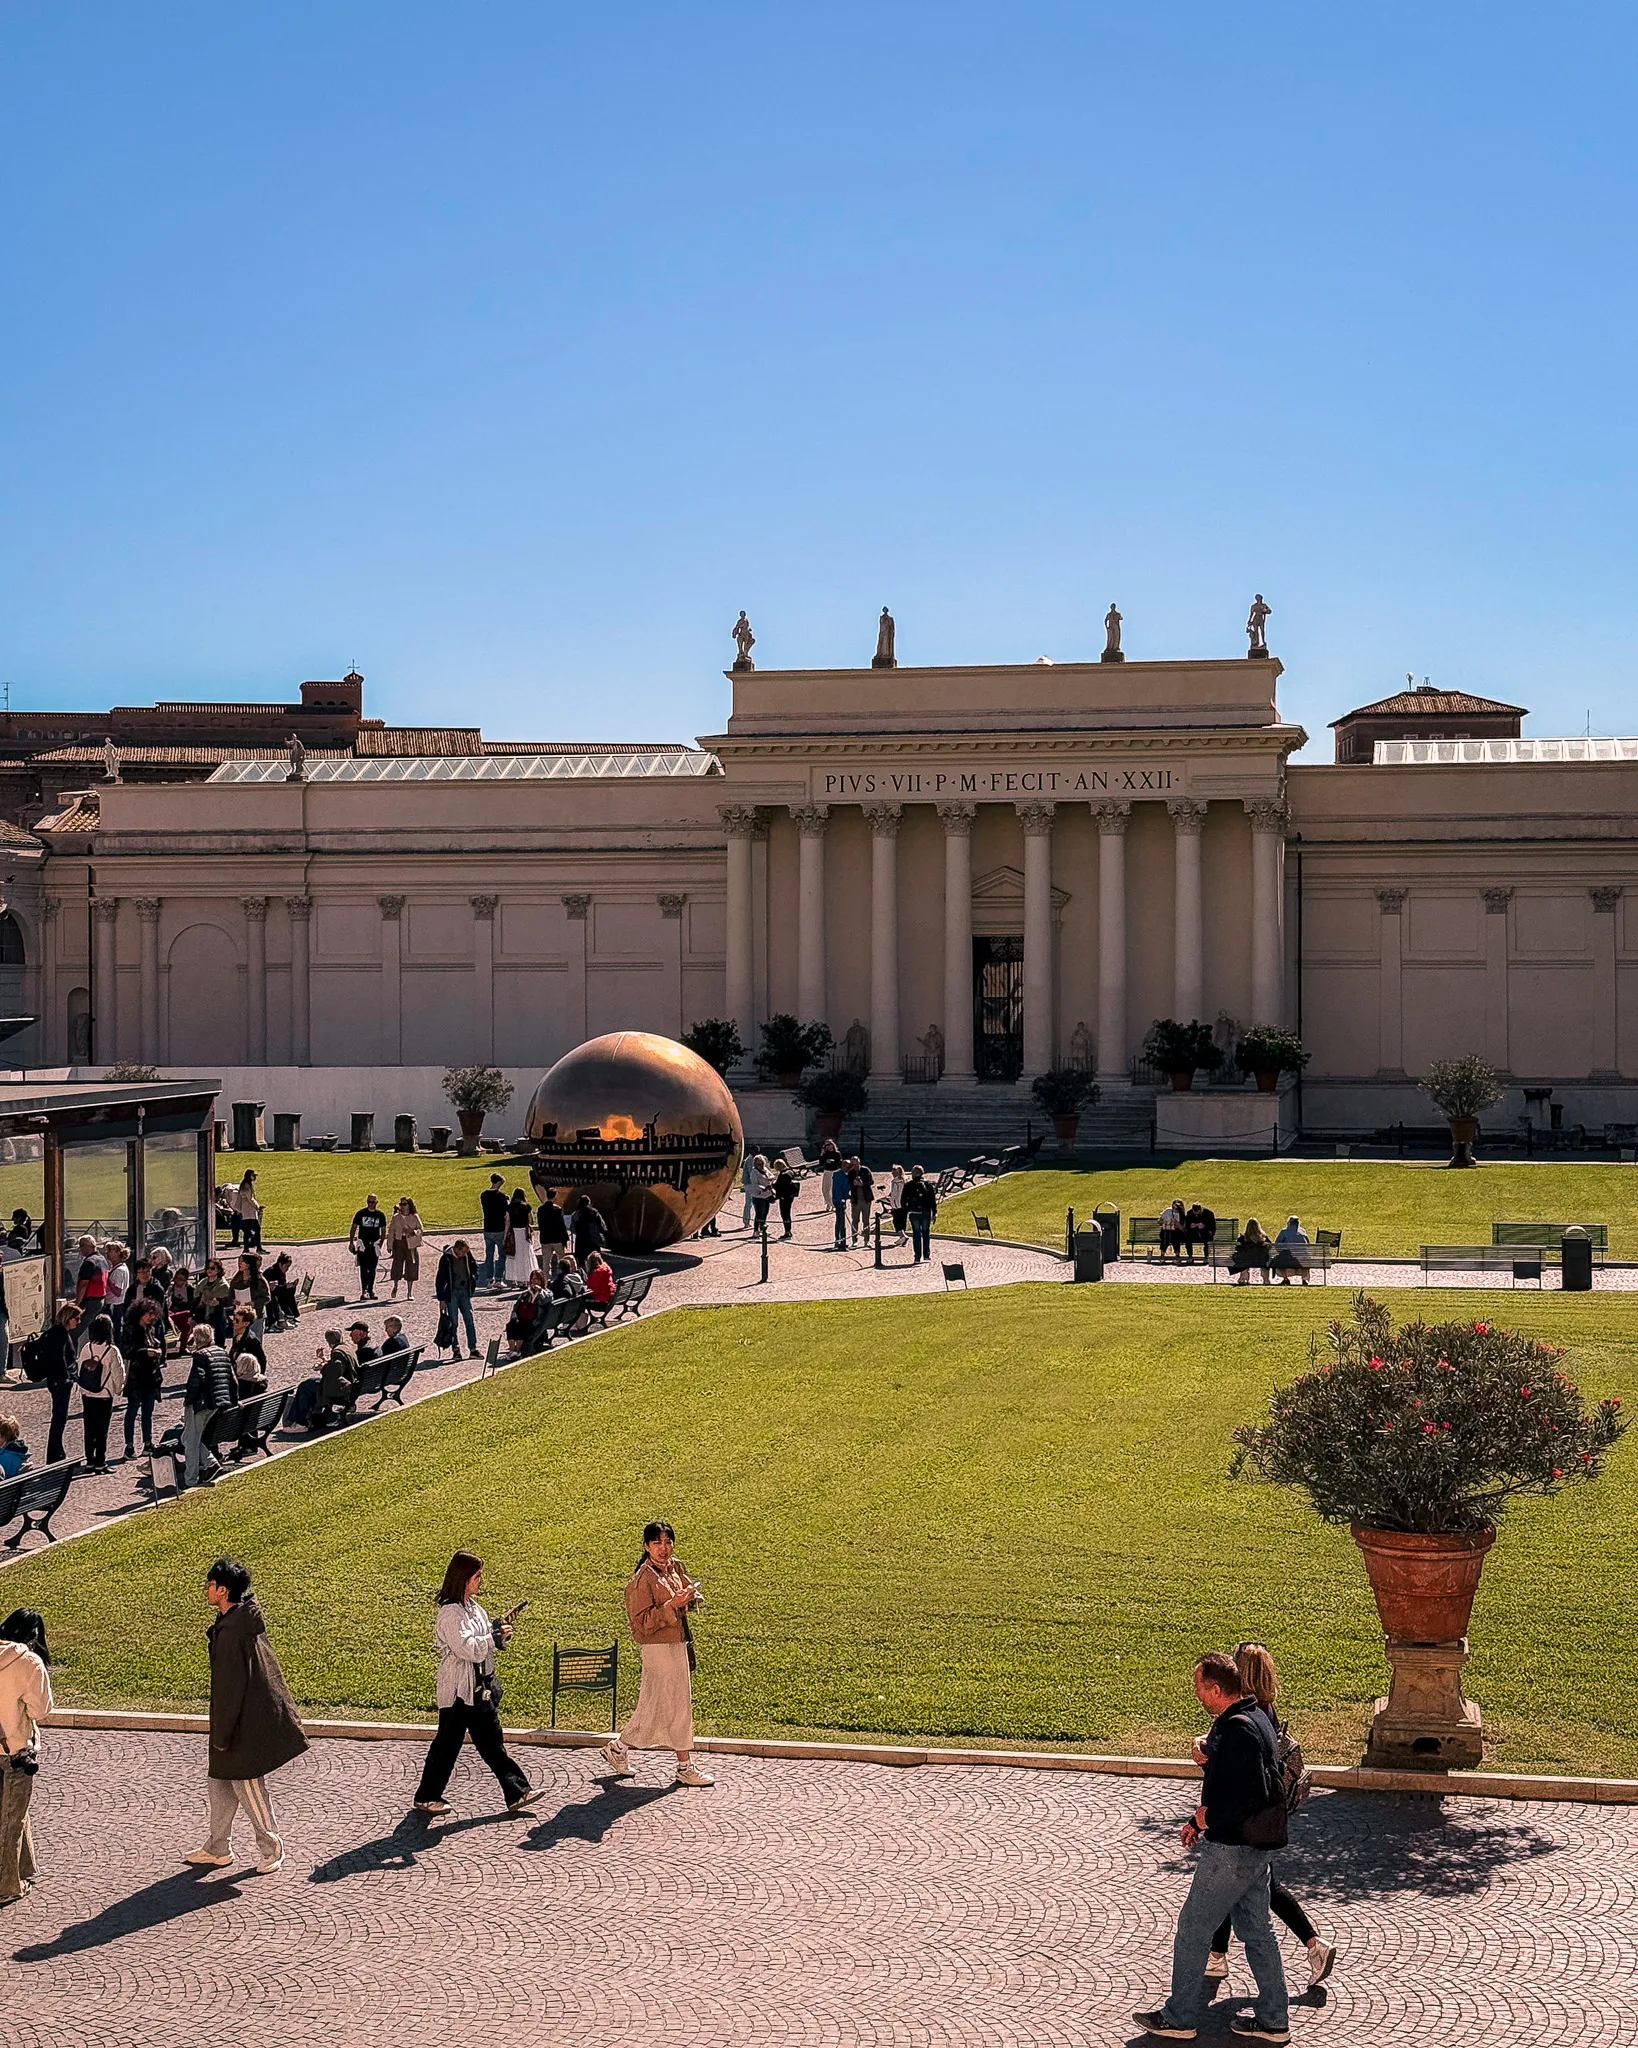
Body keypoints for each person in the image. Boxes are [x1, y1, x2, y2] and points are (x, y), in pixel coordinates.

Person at [1132, 1651, 1289, 2043]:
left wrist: (1207, 1819)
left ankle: (1179, 2017)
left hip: (1232, 1851)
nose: (1196, 1693)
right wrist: (1198, 1812)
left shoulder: (1239, 1730)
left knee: (1192, 1929)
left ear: (1217, 1689)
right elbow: (1238, 1780)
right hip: (1255, 1849)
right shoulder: (1255, 1717)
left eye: (1199, 1686)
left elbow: (1250, 1796)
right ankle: (1274, 2019)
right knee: (1257, 1932)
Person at [1206, 1644, 1335, 1991]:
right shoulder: (1265, 1710)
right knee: (1245, 1885)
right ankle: (1217, 1956)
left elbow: (1234, 1766)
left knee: (1243, 1886)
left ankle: (1310, 1946)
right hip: (1261, 1817)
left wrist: (1206, 1753)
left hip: (1244, 1820)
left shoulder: (1244, 1716)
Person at [184, 1557, 307, 1874]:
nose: (206, 1589)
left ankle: (272, 1848)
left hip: (241, 1727)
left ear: (222, 1590)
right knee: (219, 1784)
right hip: (235, 1722)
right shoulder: (236, 1622)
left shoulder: (233, 1633)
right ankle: (218, 1848)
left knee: (248, 1787)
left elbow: (231, 1688)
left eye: (210, 1584)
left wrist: (223, 1735)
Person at [412, 1549, 537, 1816]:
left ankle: (518, 1793)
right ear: (463, 1578)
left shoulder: (473, 1608)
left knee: (491, 1743)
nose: (481, 1581)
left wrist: (498, 1629)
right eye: (477, 1576)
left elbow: (483, 1637)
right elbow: (467, 1648)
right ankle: (427, 1796)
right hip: (460, 1691)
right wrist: (493, 1638)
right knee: (448, 1745)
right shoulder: (450, 1614)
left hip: (479, 1689)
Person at [601, 1520, 713, 1789]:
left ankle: (619, 1748)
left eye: (667, 1542)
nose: (664, 1548)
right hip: (657, 1649)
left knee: (661, 1704)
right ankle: (684, 1767)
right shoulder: (642, 1580)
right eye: (657, 1543)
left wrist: (690, 1598)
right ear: (646, 1546)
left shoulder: (674, 1568)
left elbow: (687, 1595)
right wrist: (671, 1605)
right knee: (671, 1704)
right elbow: (640, 1624)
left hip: (677, 1643)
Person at [0, 1607, 52, 1904]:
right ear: (33, 1636)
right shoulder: (29, 1663)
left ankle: (24, 1868)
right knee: (13, 1818)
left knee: (12, 1811)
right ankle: (7, 1885)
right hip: (15, 1751)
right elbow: (40, 1710)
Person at [76, 1312, 124, 1473]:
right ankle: (100, 1462)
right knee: (102, 1430)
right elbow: (118, 1373)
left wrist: (82, 1389)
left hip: (87, 1394)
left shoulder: (86, 1348)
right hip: (104, 1394)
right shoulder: (111, 1350)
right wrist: (119, 1389)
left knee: (89, 1428)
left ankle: (89, 1460)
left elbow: (80, 1369)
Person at [121, 1301, 166, 1460]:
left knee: (148, 1411)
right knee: (132, 1411)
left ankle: (148, 1442)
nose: (151, 1317)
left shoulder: (151, 1329)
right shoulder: (130, 1330)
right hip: (136, 1376)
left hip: (151, 1376)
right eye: (149, 1314)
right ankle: (129, 1445)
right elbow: (126, 1351)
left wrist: (158, 1351)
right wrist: (145, 1352)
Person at [37, 1301, 80, 1465]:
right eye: (77, 1318)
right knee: (59, 1418)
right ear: (68, 1318)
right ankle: (54, 1454)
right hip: (60, 1382)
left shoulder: (55, 1332)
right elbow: (60, 1359)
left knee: (59, 1418)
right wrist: (67, 1379)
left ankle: (57, 1452)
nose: (78, 1322)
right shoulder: (60, 1334)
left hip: (55, 1381)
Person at [434, 1238, 480, 1359]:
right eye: (462, 1252)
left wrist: (474, 1278)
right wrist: (441, 1299)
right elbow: (440, 1280)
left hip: (464, 1292)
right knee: (453, 1323)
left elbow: (474, 1267)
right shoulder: (446, 1259)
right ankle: (456, 1349)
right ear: (456, 1249)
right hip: (452, 1293)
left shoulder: (467, 1255)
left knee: (469, 1320)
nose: (464, 1254)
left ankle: (473, 1349)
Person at [349, 1194, 388, 1300]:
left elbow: (383, 1231)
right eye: (369, 1202)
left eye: (372, 1202)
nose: (370, 1204)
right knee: (364, 1267)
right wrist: (351, 1242)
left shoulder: (380, 1215)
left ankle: (371, 1290)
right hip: (363, 1244)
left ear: (376, 1203)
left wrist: (381, 1244)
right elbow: (353, 1228)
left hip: (374, 1244)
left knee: (372, 1268)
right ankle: (364, 1290)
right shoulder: (361, 1213)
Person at [506, 1270, 551, 1355]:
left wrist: (539, 1292)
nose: (534, 1281)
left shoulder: (547, 1293)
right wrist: (514, 1317)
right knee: (511, 1324)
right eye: (532, 1279)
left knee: (522, 1325)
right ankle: (513, 1350)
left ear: (541, 1280)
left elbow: (545, 1300)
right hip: (524, 1319)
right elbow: (516, 1307)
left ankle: (518, 1350)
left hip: (536, 1321)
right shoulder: (525, 1294)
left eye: (536, 1279)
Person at [388, 1197, 424, 1302]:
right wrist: (389, 1245)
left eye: (404, 1204)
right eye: (401, 1204)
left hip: (411, 1243)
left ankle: (409, 1292)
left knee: (411, 1266)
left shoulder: (414, 1216)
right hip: (399, 1242)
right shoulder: (396, 1217)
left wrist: (412, 1232)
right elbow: (391, 1232)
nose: (402, 1206)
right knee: (397, 1264)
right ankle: (395, 1285)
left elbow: (420, 1229)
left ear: (409, 1205)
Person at [479, 1173, 510, 1290]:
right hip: (499, 1228)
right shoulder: (501, 1197)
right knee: (502, 1255)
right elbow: (505, 1213)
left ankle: (489, 1279)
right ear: (498, 1182)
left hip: (488, 1228)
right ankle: (498, 1278)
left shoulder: (483, 1195)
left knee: (489, 1255)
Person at [901, 1165, 937, 1263]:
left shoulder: (908, 1185)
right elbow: (932, 1200)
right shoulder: (928, 1185)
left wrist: (907, 1210)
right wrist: (934, 1212)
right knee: (925, 1233)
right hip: (925, 1211)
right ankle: (926, 1255)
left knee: (916, 1233)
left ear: (914, 1173)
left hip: (913, 1212)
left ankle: (917, 1257)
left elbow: (903, 1200)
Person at [227, 1307, 268, 1395]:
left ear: (246, 1324)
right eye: (233, 1319)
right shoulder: (237, 1336)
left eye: (237, 1321)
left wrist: (256, 1378)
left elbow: (262, 1359)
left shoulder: (251, 1340)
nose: (233, 1322)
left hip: (247, 1383)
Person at [231, 1252, 270, 1342]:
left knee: (254, 1341)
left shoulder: (259, 1280)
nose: (239, 1264)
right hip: (240, 1317)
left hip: (256, 1316)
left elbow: (266, 1298)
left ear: (248, 1264)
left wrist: (254, 1303)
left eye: (242, 1262)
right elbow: (230, 1295)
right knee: (239, 1341)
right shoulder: (237, 1278)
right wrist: (234, 1301)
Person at [503, 1189, 537, 1288]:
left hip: (514, 1232)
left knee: (514, 1255)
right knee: (525, 1255)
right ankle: (525, 1279)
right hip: (524, 1233)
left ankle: (515, 1279)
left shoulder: (509, 1207)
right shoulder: (526, 1206)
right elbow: (531, 1221)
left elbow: (508, 1222)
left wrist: (505, 1235)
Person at [195, 1257, 234, 1342]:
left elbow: (227, 1301)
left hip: (217, 1314)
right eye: (208, 1267)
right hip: (203, 1313)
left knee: (218, 1335)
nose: (209, 1270)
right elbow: (196, 1298)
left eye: (212, 1268)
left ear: (218, 1270)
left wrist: (218, 1302)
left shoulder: (223, 1285)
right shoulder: (202, 1282)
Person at [1228, 1219, 1273, 1286]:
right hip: (1261, 1261)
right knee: (1265, 1260)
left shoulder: (1242, 1238)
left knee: (1243, 1259)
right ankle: (1266, 1280)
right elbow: (1270, 1247)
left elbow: (1237, 1249)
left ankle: (1243, 1278)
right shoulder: (1263, 1238)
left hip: (1246, 1261)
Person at [264, 1251, 300, 1332]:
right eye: (286, 1266)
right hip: (267, 1293)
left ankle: (292, 1314)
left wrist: (290, 1286)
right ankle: (276, 1321)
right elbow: (271, 1288)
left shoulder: (281, 1272)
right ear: (280, 1264)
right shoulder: (271, 1271)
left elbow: (281, 1284)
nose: (287, 1269)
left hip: (277, 1292)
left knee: (289, 1292)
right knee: (275, 1299)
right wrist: (285, 1286)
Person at [1270, 1217, 1312, 1287]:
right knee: (1305, 1257)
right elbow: (1308, 1245)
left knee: (1279, 1259)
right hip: (1301, 1261)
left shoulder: (1284, 1232)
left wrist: (1281, 1252)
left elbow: (1277, 1245)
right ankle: (1304, 1279)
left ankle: (1285, 1278)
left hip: (1288, 1260)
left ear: (1289, 1223)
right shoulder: (1303, 1232)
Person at [73, 1235, 109, 1313]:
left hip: (89, 1301)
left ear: (87, 1246)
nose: (80, 1249)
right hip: (101, 1300)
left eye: (81, 1246)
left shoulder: (89, 1262)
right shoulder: (102, 1259)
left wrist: (77, 1303)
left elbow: (83, 1284)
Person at [106, 1242, 132, 1344]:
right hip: (113, 1303)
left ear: (118, 1253)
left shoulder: (120, 1270)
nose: (107, 1253)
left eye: (110, 1250)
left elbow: (118, 1291)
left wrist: (107, 1280)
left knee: (115, 1331)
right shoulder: (116, 1268)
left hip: (115, 1304)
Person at [231, 1171, 263, 1252]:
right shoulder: (246, 1186)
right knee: (255, 1228)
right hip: (249, 1209)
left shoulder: (245, 1185)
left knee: (249, 1229)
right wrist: (257, 1206)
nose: (254, 1177)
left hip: (247, 1209)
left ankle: (248, 1248)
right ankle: (256, 1247)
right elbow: (250, 1198)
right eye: (253, 1175)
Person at [569, 1194, 606, 1264]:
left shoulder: (576, 1214)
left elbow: (572, 1228)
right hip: (593, 1241)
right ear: (589, 1202)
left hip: (581, 1242)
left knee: (582, 1263)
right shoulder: (595, 1212)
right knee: (596, 1263)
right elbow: (602, 1226)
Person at [536, 1188, 569, 1262]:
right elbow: (561, 1225)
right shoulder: (558, 1209)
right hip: (557, 1238)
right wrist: (565, 1239)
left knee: (546, 1262)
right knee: (562, 1260)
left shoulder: (541, 1209)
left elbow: (540, 1224)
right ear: (555, 1196)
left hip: (545, 1238)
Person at [848, 1156, 875, 1247]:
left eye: (856, 1163)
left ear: (859, 1163)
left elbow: (871, 1181)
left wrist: (863, 1183)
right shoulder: (851, 1172)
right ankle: (854, 1240)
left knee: (866, 1221)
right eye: (852, 1164)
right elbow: (848, 1184)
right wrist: (853, 1184)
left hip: (866, 1199)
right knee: (855, 1220)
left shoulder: (865, 1170)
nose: (854, 1166)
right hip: (856, 1200)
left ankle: (866, 1240)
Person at [1184, 1200, 1218, 1267]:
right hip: (1194, 1233)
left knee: (1207, 1237)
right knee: (1187, 1236)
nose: (1196, 1214)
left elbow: (1213, 1227)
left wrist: (1204, 1226)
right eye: (1194, 1212)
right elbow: (1186, 1225)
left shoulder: (1209, 1213)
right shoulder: (1189, 1213)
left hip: (1205, 1233)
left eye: (1197, 1213)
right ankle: (1190, 1256)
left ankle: (1206, 1256)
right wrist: (1190, 1226)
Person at [746, 1154, 773, 1236]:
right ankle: (755, 1231)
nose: (760, 1166)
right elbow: (754, 1184)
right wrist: (763, 1188)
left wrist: (771, 1180)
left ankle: (762, 1229)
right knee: (758, 1214)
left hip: (767, 1195)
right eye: (758, 1164)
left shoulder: (765, 1170)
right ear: (755, 1164)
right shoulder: (754, 1172)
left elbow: (771, 1176)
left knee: (765, 1213)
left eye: (761, 1163)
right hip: (758, 1195)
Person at [773, 1159, 800, 1239]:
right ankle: (788, 1231)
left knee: (784, 1214)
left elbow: (778, 1186)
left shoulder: (783, 1175)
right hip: (790, 1196)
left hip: (784, 1197)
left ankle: (787, 1232)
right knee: (787, 1214)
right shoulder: (790, 1172)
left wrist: (772, 1184)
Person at [829, 1159, 851, 1250]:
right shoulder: (838, 1175)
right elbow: (837, 1189)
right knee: (840, 1222)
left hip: (843, 1200)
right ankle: (839, 1241)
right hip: (838, 1201)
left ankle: (842, 1240)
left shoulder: (847, 1174)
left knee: (841, 1221)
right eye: (846, 1166)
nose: (848, 1168)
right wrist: (840, 1199)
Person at [1158, 1199, 1185, 1264]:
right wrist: (1164, 1222)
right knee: (1165, 1235)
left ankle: (1177, 1255)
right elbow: (1159, 1221)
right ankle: (1162, 1254)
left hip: (1177, 1232)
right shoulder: (1168, 1211)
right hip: (1166, 1230)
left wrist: (1176, 1223)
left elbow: (1182, 1228)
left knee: (1175, 1235)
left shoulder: (1182, 1214)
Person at [888, 1164, 908, 1243]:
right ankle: (902, 1238)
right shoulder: (905, 1180)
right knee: (903, 1221)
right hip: (904, 1204)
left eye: (893, 1172)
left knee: (896, 1221)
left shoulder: (895, 1182)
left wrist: (891, 1203)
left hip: (897, 1204)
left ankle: (903, 1236)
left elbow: (894, 1194)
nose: (892, 1174)